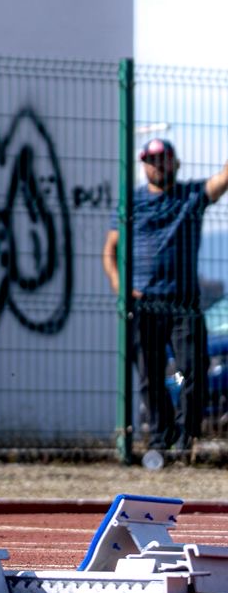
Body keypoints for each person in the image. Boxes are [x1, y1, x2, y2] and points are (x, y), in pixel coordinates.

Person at [101, 138, 228, 453]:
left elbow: (222, 179)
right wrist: (122, 288)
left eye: (164, 158)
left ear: (176, 162)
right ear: (143, 164)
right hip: (143, 304)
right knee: (149, 376)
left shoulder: (191, 196)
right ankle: (160, 437)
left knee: (193, 371)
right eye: (151, 159)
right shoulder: (131, 203)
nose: (158, 164)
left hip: (184, 303)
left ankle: (186, 440)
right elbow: (110, 252)